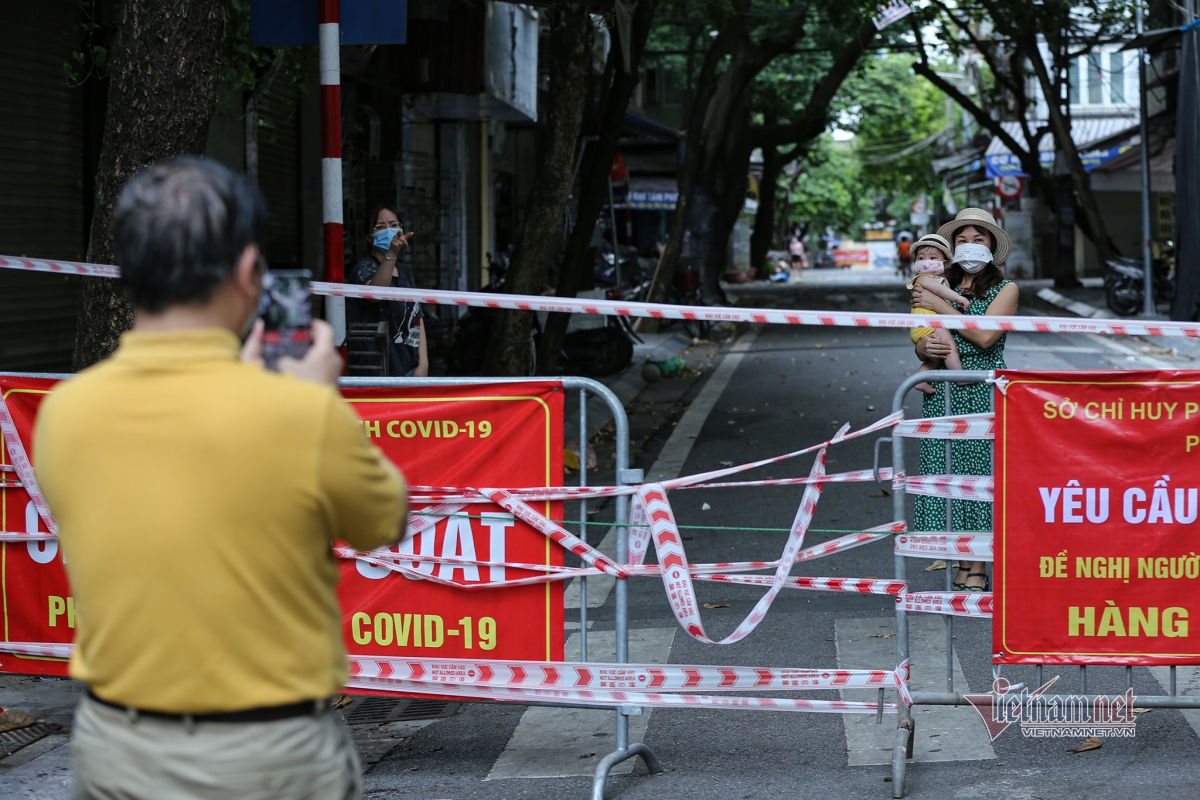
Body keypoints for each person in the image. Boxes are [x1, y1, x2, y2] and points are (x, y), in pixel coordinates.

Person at [34, 158, 409, 799]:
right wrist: (317, 400)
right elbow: (383, 521)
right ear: (245, 273)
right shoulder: (294, 411)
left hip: (115, 748)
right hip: (269, 755)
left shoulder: (64, 413)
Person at [910, 208, 1018, 592]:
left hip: (982, 391)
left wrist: (942, 306)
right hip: (943, 391)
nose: (970, 246)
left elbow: (986, 337)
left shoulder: (1005, 290)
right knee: (945, 476)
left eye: (979, 239)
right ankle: (959, 557)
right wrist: (928, 344)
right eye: (962, 240)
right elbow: (922, 343)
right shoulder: (938, 281)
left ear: (993, 247)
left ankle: (977, 563)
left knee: (980, 479)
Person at [347, 204, 429, 377]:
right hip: (376, 372)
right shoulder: (364, 268)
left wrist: (423, 363)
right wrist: (391, 252)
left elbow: (416, 317)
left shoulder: (405, 271)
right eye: (380, 227)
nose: (389, 230)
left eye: (393, 225)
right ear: (369, 237)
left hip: (409, 370)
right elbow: (376, 295)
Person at [904, 233, 968, 394]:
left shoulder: (938, 279)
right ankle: (959, 376)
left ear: (945, 263)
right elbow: (939, 290)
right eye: (921, 258)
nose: (926, 262)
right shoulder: (922, 279)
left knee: (937, 356)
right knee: (948, 346)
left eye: (933, 258)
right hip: (928, 324)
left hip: (923, 326)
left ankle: (921, 379)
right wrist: (958, 298)